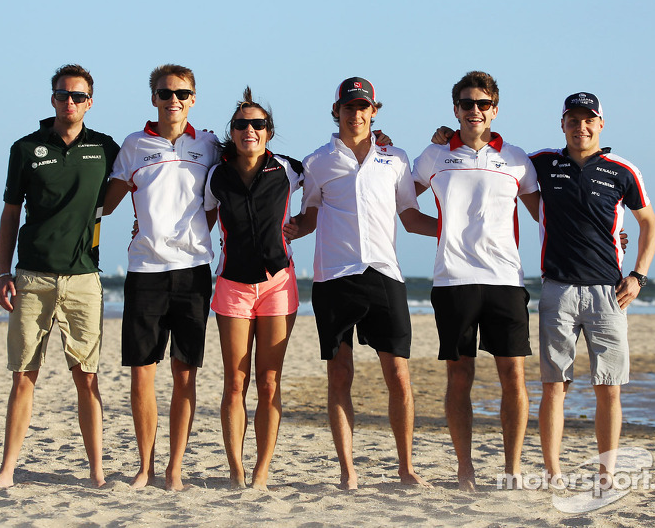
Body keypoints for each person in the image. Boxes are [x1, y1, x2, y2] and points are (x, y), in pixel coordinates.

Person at [285, 77, 436, 490]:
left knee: (399, 378)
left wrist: (454, 231)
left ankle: (406, 469)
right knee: (340, 376)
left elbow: (410, 216)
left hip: (385, 275)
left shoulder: (396, 159)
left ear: (374, 111)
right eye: (348, 106)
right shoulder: (317, 161)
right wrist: (285, 230)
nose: (356, 113)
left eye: (363, 107)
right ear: (337, 111)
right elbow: (309, 216)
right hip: (334, 278)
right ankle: (348, 473)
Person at [0, 64, 119, 488]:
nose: (70, 102)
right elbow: (11, 212)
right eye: (63, 95)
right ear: (52, 99)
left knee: (87, 376)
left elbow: (138, 182)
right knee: (24, 374)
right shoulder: (26, 148)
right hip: (31, 277)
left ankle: (97, 472)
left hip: (84, 278)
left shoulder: (104, 148)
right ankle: (7, 469)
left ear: (90, 102)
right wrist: (2, 272)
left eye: (79, 96)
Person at [529, 92, 655, 489]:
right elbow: (494, 157)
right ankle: (553, 475)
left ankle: (607, 474)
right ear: (562, 123)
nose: (580, 127)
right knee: (555, 386)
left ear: (601, 124)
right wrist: (447, 137)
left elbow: (649, 223)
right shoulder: (541, 162)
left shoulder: (622, 170)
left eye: (589, 120)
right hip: (557, 290)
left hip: (609, 293)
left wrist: (638, 275)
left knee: (609, 387)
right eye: (573, 119)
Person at [417, 71, 539, 491]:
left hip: (505, 279)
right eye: (467, 103)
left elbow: (547, 216)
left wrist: (608, 234)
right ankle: (464, 469)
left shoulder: (518, 159)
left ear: (495, 109)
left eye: (482, 103)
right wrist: (445, 227)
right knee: (459, 376)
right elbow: (399, 203)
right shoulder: (434, 155)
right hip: (452, 280)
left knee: (514, 377)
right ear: (455, 109)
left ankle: (512, 469)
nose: (474, 110)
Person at [103, 64, 220, 491]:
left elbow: (256, 157)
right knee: (141, 374)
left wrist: (381, 139)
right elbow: (104, 205)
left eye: (182, 94)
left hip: (193, 272)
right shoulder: (134, 146)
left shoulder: (209, 144)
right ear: (153, 98)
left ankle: (174, 469)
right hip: (145, 270)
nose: (174, 101)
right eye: (165, 93)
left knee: (185, 374)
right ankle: (145, 466)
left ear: (193, 98)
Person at [203, 88, 303, 490]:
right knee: (234, 382)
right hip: (231, 285)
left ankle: (261, 471)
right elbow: (199, 219)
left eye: (258, 124)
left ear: (269, 131)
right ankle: (235, 470)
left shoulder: (291, 169)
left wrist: (303, 225)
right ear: (233, 131)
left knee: (269, 381)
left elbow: (330, 187)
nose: (250, 130)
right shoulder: (215, 174)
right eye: (242, 124)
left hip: (278, 284)